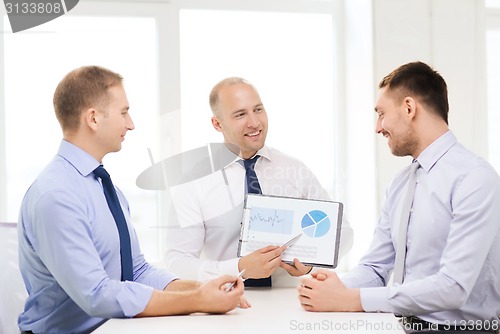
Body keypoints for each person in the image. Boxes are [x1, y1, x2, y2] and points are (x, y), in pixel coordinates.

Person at [17, 66, 246, 334]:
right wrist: (196, 300)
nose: (131, 124)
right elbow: (97, 295)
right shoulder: (56, 195)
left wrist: (205, 289)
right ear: (93, 118)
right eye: (124, 112)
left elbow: (135, 270)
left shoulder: (102, 185)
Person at [297, 61, 500, 333]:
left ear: (409, 107)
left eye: (381, 113)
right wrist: (331, 286)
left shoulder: (475, 178)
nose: (377, 127)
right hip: (402, 326)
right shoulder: (401, 183)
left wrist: (351, 299)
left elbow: (454, 287)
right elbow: (375, 267)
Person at [164, 77, 353, 286]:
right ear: (217, 124)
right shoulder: (194, 181)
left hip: (290, 304)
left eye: (258, 109)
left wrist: (311, 265)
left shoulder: (294, 170)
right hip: (225, 308)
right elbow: (177, 261)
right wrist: (238, 269)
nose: (254, 123)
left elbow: (342, 231)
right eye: (240, 114)